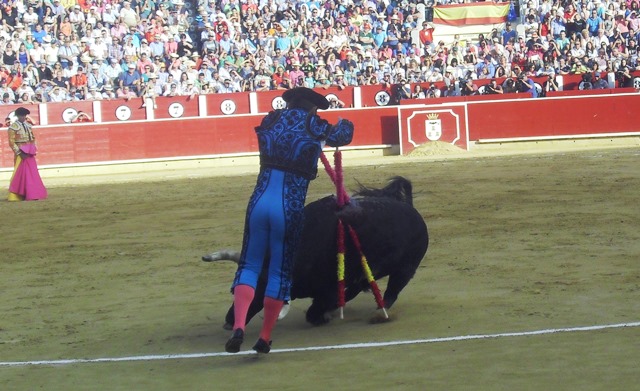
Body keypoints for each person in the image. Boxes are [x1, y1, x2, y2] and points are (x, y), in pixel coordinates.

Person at [226, 87, 354, 354]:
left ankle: (239, 325)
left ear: (290, 103)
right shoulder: (315, 125)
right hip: (289, 206)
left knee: (249, 265)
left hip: (259, 202)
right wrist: (343, 122)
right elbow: (345, 135)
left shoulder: (270, 120)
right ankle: (264, 336)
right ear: (312, 108)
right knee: (279, 272)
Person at [6, 107, 47, 201]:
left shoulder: (28, 125)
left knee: (31, 173)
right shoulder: (13, 127)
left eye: (24, 115)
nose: (23, 117)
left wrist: (33, 149)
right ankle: (19, 194)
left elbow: (32, 139)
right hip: (21, 154)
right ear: (17, 116)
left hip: (29, 153)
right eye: (21, 115)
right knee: (20, 174)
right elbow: (11, 142)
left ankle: (32, 193)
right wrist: (20, 153)